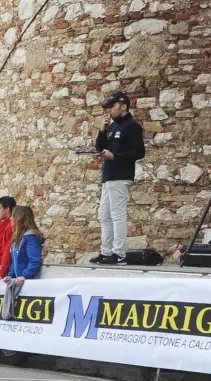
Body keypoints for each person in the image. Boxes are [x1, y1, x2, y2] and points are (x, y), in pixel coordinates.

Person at [92, 91, 146, 265]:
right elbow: (100, 148)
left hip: (121, 175)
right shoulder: (113, 126)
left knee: (117, 214)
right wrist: (102, 131)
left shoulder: (131, 126)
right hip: (109, 175)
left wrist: (115, 156)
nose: (109, 111)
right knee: (104, 214)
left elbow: (139, 152)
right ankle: (106, 250)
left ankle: (119, 253)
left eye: (112, 107)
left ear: (123, 107)